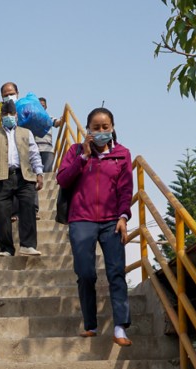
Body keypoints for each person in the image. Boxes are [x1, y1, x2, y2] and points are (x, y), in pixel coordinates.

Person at [56, 107, 134, 347]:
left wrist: (123, 217)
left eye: (105, 127)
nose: (101, 131)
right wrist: (84, 157)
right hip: (81, 219)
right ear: (88, 130)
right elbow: (62, 179)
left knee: (116, 272)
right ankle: (90, 324)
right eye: (96, 128)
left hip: (112, 220)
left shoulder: (122, 154)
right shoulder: (75, 151)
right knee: (86, 273)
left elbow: (125, 189)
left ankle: (120, 327)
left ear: (112, 128)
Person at [0, 100, 44, 257]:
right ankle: (6, 248)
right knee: (0, 211)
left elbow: (34, 154)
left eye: (11, 114)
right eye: (5, 114)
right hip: (2, 177)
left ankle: (28, 245)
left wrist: (39, 173)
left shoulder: (26, 133)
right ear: (1, 117)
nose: (8, 117)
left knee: (28, 208)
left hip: (24, 175)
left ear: (16, 115)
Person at [34, 97, 63, 172]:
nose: (41, 108)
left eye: (42, 106)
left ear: (46, 107)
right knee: (35, 174)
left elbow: (56, 123)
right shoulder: (31, 119)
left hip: (47, 149)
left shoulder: (48, 118)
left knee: (47, 173)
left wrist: (62, 120)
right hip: (34, 149)